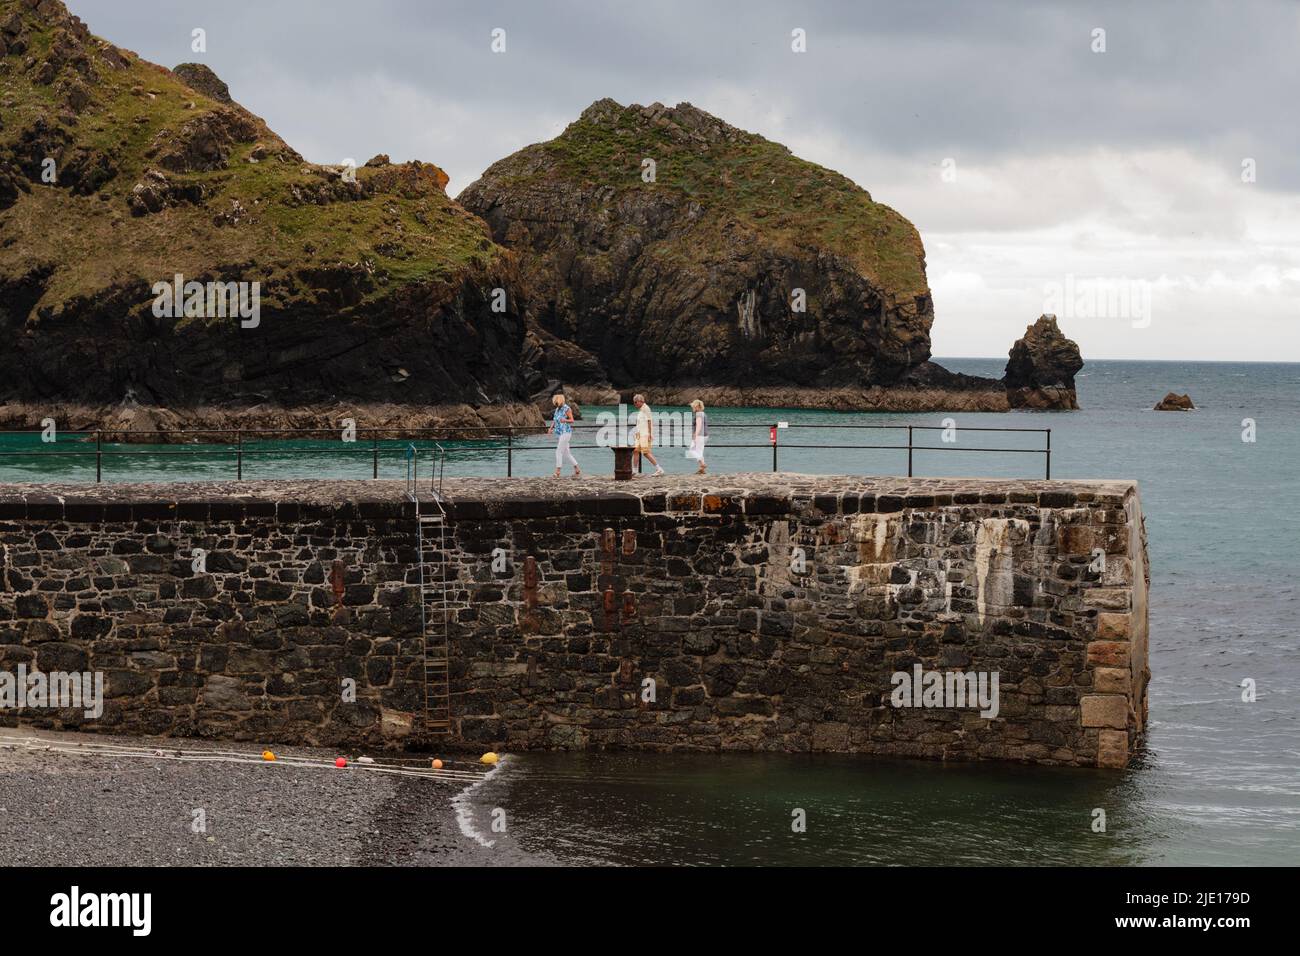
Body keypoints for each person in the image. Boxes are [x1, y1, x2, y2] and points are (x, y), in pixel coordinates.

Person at [548, 393, 580, 477]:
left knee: (558, 451)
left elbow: (572, 420)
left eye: (556, 401)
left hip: (566, 432)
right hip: (560, 433)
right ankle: (577, 469)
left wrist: (565, 420)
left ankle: (558, 471)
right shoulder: (557, 409)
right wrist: (551, 428)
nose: (555, 403)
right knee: (567, 453)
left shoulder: (567, 408)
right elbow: (554, 420)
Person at [631, 393, 663, 476]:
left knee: (646, 452)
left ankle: (659, 469)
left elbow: (649, 421)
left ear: (640, 401)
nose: (634, 404)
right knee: (635, 451)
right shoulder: (641, 410)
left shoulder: (646, 409)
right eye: (634, 402)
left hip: (645, 434)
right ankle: (634, 471)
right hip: (639, 434)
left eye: (635, 402)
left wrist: (649, 433)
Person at [686, 399, 709, 474]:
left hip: (699, 435)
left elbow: (699, 426)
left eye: (693, 406)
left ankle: (703, 464)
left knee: (691, 451)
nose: (692, 408)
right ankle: (702, 469)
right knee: (700, 451)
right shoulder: (703, 413)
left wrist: (695, 435)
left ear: (696, 407)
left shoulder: (698, 414)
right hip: (704, 435)